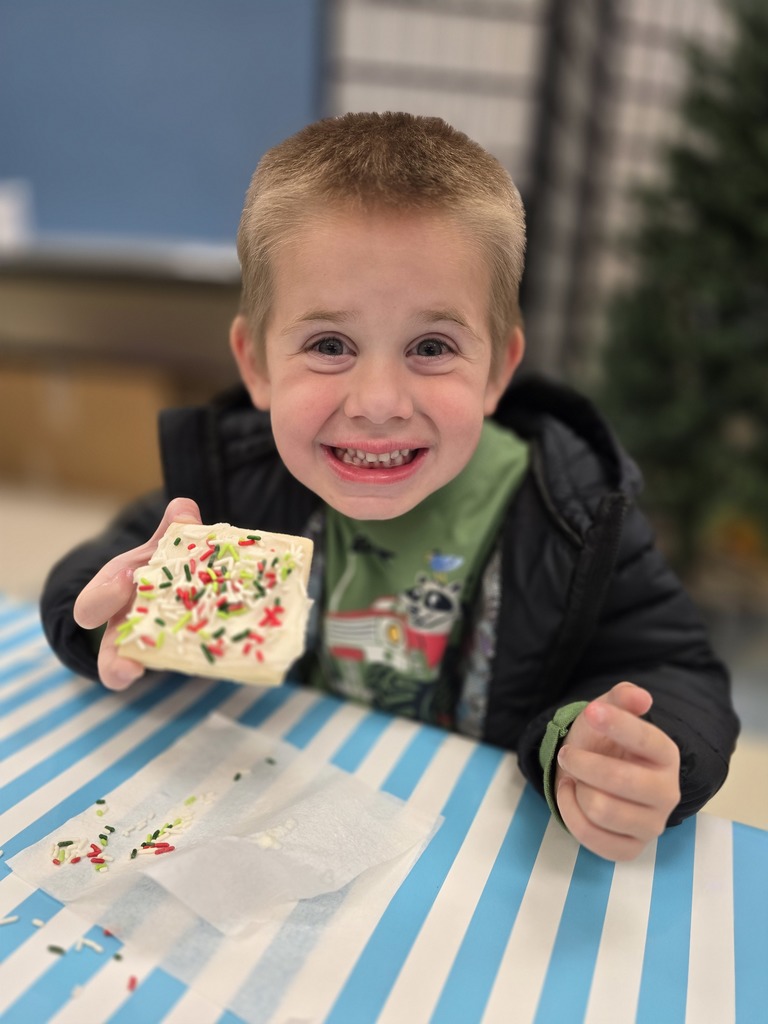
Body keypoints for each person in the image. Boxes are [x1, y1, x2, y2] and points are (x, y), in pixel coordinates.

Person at [41, 112, 739, 862]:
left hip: (471, 857)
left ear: (500, 368)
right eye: (330, 345)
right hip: (266, 825)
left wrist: (620, 749)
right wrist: (107, 612)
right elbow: (110, 563)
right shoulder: (231, 479)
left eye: (432, 346)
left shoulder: (574, 517)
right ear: (257, 365)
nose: (379, 401)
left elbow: (675, 669)